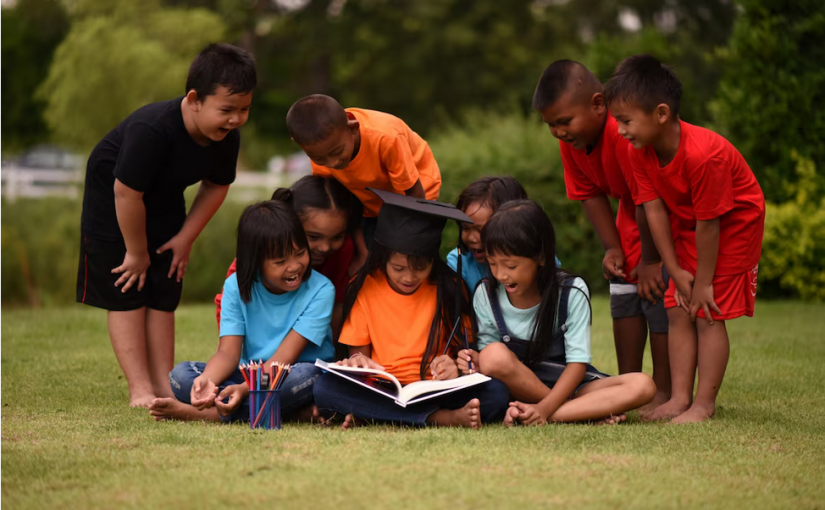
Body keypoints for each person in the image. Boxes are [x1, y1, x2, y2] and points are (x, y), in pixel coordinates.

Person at [76, 43, 256, 408]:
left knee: (164, 286)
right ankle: (139, 388)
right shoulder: (152, 129)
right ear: (194, 100)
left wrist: (185, 238)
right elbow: (126, 194)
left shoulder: (226, 137)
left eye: (244, 110)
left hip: (164, 197)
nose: (235, 119)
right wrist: (136, 252)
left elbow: (217, 185)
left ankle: (163, 384)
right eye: (226, 110)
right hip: (115, 200)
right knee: (129, 285)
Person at [604, 54, 765, 423]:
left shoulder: (704, 156)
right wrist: (673, 270)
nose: (620, 130)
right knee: (677, 306)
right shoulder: (638, 151)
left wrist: (704, 283)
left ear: (661, 113)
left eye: (626, 121)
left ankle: (704, 405)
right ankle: (678, 398)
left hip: (733, 225)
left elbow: (712, 224)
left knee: (706, 311)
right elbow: (654, 210)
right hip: (692, 221)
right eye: (617, 122)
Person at [531, 60, 671, 416]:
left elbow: (646, 199)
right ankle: (627, 384)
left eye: (564, 121)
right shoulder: (573, 144)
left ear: (598, 104)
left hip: (660, 218)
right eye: (551, 125)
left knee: (657, 298)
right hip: (631, 215)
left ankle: (665, 390)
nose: (559, 132)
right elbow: (590, 195)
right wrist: (613, 247)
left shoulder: (623, 135)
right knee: (623, 290)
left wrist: (652, 260)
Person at [313, 189, 510, 429]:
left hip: (435, 389)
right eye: (398, 268)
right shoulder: (364, 285)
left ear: (432, 261)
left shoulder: (450, 286)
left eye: (420, 268)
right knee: (325, 388)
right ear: (384, 258)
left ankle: (376, 416)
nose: (408, 277)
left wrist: (453, 366)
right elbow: (359, 357)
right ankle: (440, 419)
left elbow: (463, 353)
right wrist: (357, 361)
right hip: (383, 389)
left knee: (497, 393)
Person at [457, 200, 656, 426]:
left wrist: (545, 408)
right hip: (517, 386)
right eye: (493, 264)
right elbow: (492, 363)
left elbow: (577, 364)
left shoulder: (571, 291)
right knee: (492, 355)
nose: (501, 275)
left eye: (511, 266)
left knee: (643, 385)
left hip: (571, 384)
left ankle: (546, 414)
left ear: (541, 257)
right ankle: (583, 412)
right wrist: (476, 360)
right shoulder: (486, 294)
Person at [149, 201, 335, 423]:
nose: (294, 266)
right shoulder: (235, 287)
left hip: (288, 374)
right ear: (255, 262)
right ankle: (287, 412)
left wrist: (244, 390)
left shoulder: (321, 290)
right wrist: (207, 381)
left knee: (307, 377)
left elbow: (283, 360)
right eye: (281, 261)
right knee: (182, 376)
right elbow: (228, 354)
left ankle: (204, 414)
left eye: (300, 253)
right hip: (248, 375)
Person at [285, 94, 442, 272]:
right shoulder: (321, 147)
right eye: (319, 159)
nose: (332, 163)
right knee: (371, 260)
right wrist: (362, 253)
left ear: (352, 128)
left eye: (338, 152)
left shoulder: (386, 138)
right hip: (370, 196)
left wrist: (408, 241)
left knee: (403, 259)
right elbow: (342, 205)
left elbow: (414, 195)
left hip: (415, 194)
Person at [214, 175, 361, 341]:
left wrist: (334, 357)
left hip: (312, 346)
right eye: (313, 236)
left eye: (337, 237)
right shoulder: (261, 252)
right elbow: (230, 302)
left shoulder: (343, 251)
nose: (325, 247)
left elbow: (338, 306)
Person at [447, 176, 561, 295]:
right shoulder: (459, 263)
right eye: (465, 228)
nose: (472, 238)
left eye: (482, 231)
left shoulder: (536, 258)